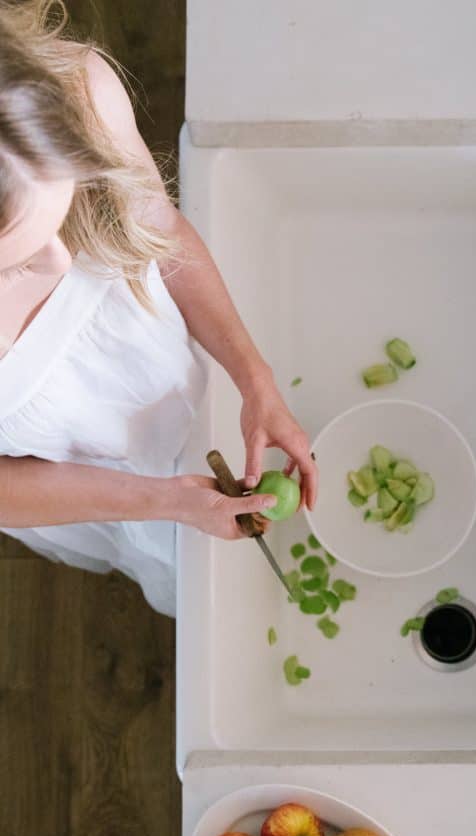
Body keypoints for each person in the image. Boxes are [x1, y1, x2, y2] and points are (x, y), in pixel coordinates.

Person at [0, 0, 317, 616]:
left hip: (163, 373)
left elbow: (160, 234)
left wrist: (254, 378)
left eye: (63, 216)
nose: (64, 265)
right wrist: (163, 501)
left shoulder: (79, 91)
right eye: (18, 258)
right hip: (80, 474)